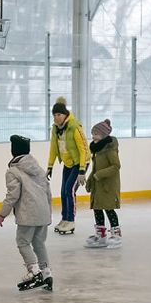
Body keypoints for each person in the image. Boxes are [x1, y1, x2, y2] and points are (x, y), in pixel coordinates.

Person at [0, 134, 53, 292]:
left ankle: (35, 272)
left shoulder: (13, 171)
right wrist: (48, 213)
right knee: (39, 243)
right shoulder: (39, 169)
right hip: (43, 212)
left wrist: (3, 213)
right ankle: (46, 272)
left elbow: (12, 195)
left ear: (13, 151)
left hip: (28, 214)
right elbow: (48, 192)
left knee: (23, 242)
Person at [45, 96, 89, 235]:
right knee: (63, 191)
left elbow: (83, 149)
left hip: (80, 163)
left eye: (59, 114)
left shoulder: (74, 127)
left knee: (70, 190)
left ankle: (71, 220)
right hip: (69, 163)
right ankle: (65, 218)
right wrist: (50, 166)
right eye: (54, 115)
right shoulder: (55, 129)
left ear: (65, 115)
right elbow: (53, 148)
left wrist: (82, 170)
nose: (57, 117)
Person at [83, 118, 122, 249]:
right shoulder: (97, 149)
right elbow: (95, 168)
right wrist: (90, 180)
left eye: (96, 134)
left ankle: (116, 234)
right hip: (98, 185)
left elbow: (116, 166)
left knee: (109, 208)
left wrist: (99, 175)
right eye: (92, 133)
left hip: (108, 185)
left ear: (104, 135)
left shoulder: (110, 148)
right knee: (97, 208)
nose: (93, 136)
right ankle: (101, 235)